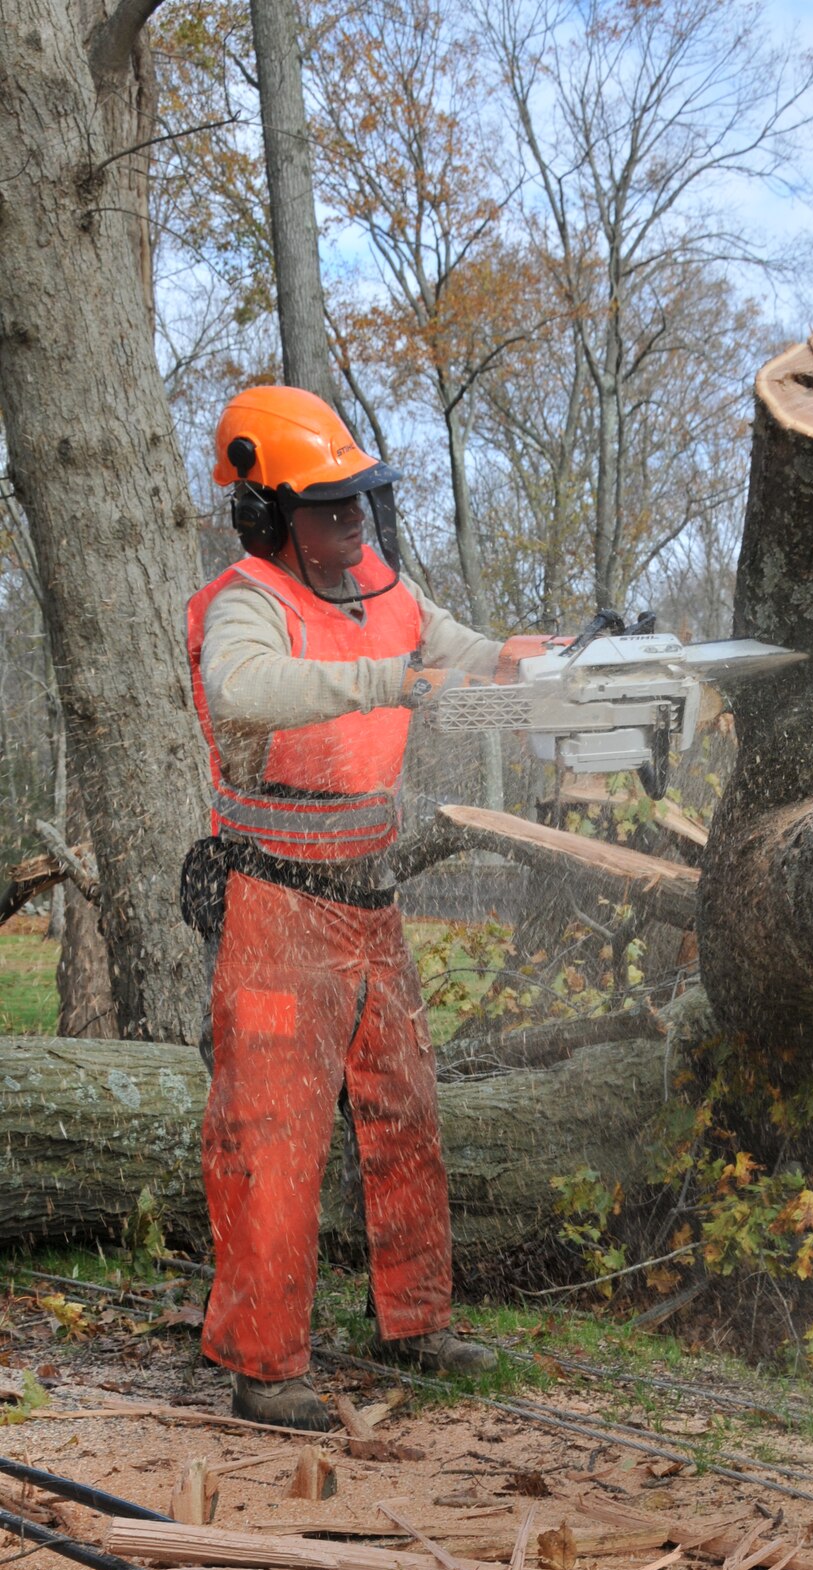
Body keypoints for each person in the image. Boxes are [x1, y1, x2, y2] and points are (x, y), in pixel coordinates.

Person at [185, 384, 516, 1430]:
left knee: (404, 1110)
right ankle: (264, 1364)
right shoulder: (246, 601)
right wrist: (385, 680)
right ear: (269, 515)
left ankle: (416, 1319)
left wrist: (555, 661)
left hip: (370, 905)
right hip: (276, 909)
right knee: (270, 1134)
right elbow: (243, 689)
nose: (352, 521)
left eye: (359, 501)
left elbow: (464, 653)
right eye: (329, 507)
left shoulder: (385, 591)